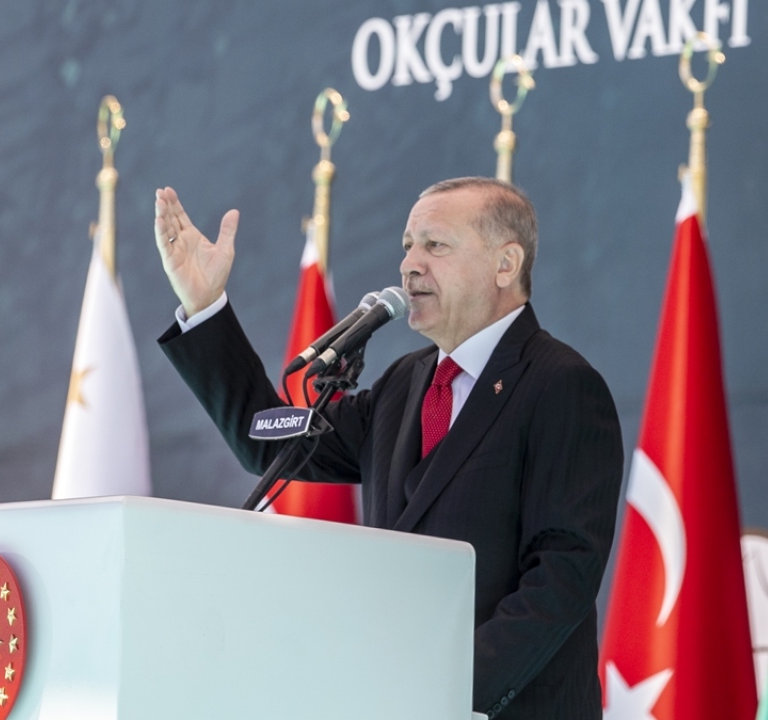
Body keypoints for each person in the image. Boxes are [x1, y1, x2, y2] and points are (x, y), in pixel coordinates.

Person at [153, 178, 623, 720]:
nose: (409, 265)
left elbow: (561, 578)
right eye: (407, 246)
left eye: (435, 245)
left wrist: (443, 694)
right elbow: (266, 444)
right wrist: (204, 304)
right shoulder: (405, 382)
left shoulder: (561, 385)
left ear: (505, 264)